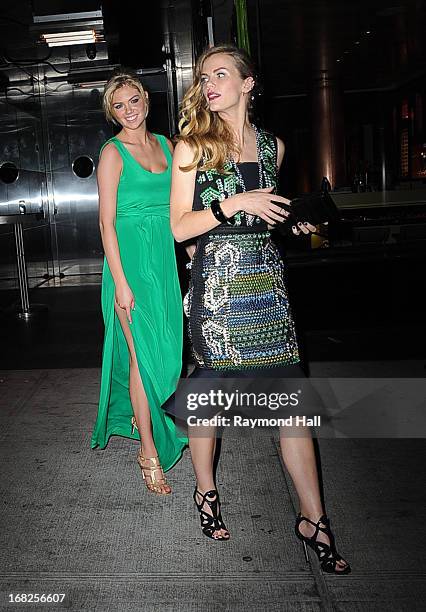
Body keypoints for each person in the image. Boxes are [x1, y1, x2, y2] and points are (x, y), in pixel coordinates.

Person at [169, 45, 350, 574]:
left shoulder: (274, 146)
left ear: (249, 83)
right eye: (203, 78)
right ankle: (206, 493)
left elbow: (269, 216)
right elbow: (178, 226)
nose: (209, 84)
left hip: (269, 289)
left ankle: (314, 520)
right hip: (219, 290)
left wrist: (297, 223)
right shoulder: (191, 147)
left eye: (220, 75)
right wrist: (232, 204)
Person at [91, 69, 187, 494]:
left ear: (146, 100)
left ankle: (142, 412)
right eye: (118, 105)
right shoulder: (112, 153)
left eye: (133, 101)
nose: (128, 110)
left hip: (163, 265)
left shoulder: (168, 146)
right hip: (128, 268)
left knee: (169, 357)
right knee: (141, 357)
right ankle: (148, 451)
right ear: (111, 113)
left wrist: (189, 254)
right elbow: (106, 223)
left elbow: (178, 212)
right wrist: (121, 283)